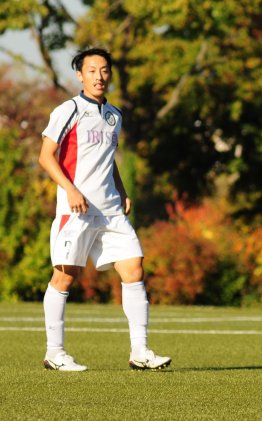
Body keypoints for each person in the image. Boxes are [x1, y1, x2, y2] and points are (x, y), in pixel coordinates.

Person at [38, 47, 171, 371]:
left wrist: (122, 189)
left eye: (104, 70)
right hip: (77, 211)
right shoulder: (67, 110)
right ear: (80, 75)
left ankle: (140, 350)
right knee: (64, 278)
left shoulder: (115, 115)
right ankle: (55, 353)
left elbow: (107, 161)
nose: (99, 76)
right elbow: (45, 157)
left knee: (134, 268)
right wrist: (70, 190)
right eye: (92, 70)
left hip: (110, 210)